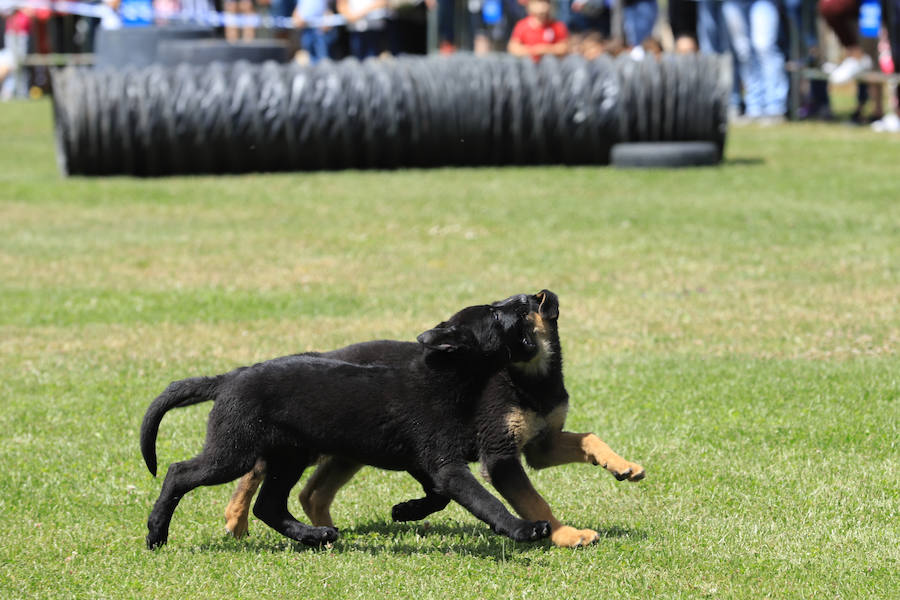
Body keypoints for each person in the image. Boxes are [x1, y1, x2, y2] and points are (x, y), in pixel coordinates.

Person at [722, 0, 788, 123]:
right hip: (734, 3)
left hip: (764, 2)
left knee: (764, 46)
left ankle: (775, 108)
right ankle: (754, 107)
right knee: (744, 52)